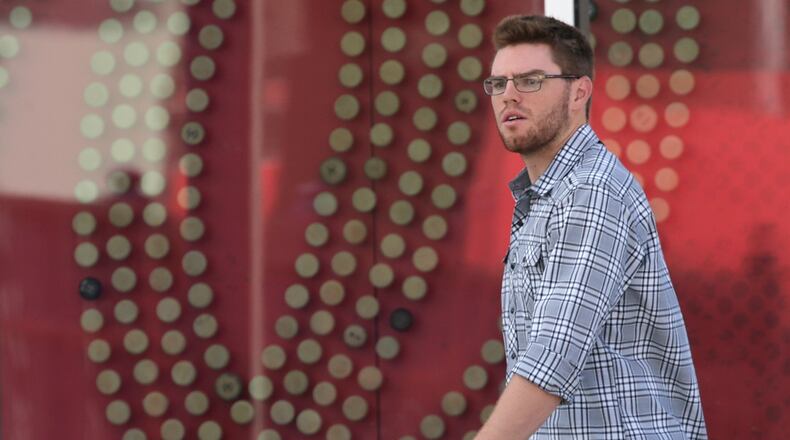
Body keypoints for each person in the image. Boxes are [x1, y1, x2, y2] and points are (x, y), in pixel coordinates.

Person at [475, 15, 707, 439]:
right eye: (498, 83)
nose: (508, 96)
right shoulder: (544, 196)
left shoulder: (590, 193)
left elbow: (552, 358)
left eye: (529, 81)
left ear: (579, 91)